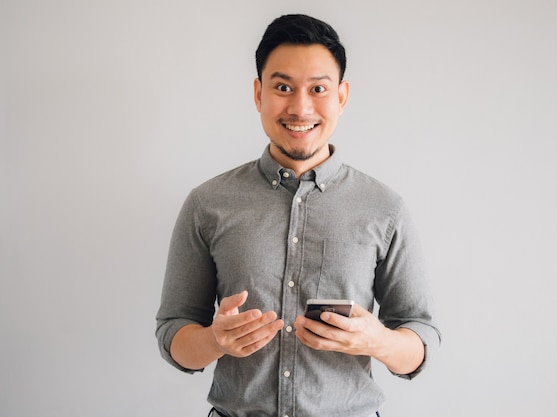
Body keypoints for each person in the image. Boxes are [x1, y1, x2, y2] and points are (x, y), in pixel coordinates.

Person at [156, 13, 441, 417]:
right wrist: (215, 341)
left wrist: (375, 341)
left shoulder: (385, 208)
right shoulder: (207, 203)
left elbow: (419, 337)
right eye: (283, 87)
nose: (300, 106)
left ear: (341, 96)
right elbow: (174, 330)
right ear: (258, 94)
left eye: (318, 88)